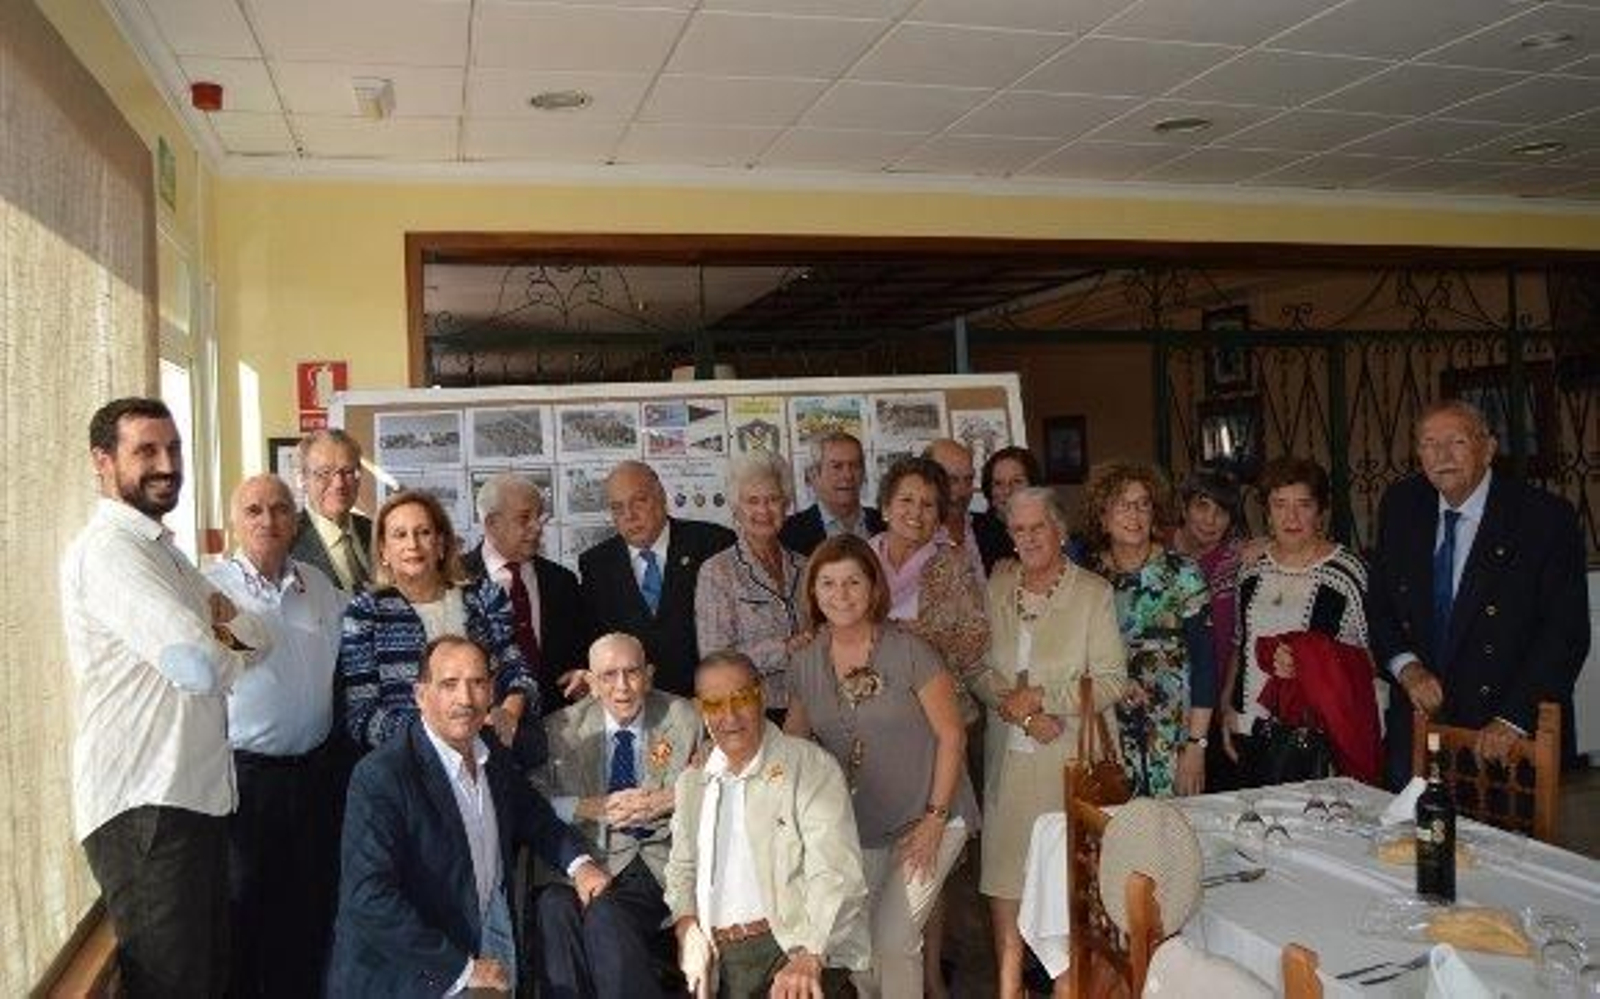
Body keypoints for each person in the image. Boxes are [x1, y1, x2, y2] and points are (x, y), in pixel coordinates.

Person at [61, 397, 272, 997]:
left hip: (190, 801)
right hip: (146, 806)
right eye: (146, 450)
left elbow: (259, 635)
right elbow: (199, 664)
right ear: (103, 462)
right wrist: (216, 637)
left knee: (206, 982)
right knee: (174, 986)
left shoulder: (163, 554)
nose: (166, 464)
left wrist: (216, 638)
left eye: (173, 449)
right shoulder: (111, 551)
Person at [328, 635, 612, 996]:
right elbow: (368, 900)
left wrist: (580, 864)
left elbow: (532, 814)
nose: (465, 699)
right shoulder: (382, 776)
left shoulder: (490, 752)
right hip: (411, 971)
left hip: (485, 935)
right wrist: (462, 969)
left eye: (477, 683)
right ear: (420, 695)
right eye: (449, 684)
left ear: (492, 691)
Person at [785, 535, 977, 999]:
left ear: (874, 588)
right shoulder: (806, 662)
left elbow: (954, 735)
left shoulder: (911, 652)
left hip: (931, 817)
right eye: (827, 583)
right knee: (860, 951)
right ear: (813, 592)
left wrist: (934, 820)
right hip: (858, 828)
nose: (841, 594)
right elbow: (792, 746)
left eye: (853, 581)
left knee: (893, 942)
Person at [1367, 400, 1589, 786]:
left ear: (1487, 448)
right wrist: (1407, 667)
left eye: (1457, 441)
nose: (1442, 456)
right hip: (1420, 727)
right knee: (1410, 841)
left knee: (1502, 846)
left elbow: (1565, 633)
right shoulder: (1402, 505)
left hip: (1503, 733)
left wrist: (1513, 718)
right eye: (1429, 443)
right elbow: (1380, 605)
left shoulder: (1543, 519)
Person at [969, 487, 1125, 999]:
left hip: (1070, 763)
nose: (1029, 538)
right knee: (1005, 882)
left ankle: (1069, 990)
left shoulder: (1092, 592)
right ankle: (1009, 990)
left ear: (1059, 530)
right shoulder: (996, 588)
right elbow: (977, 669)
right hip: (1009, 767)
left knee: (1069, 892)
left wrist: (1042, 699)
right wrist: (1016, 706)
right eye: (1019, 529)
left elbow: (1110, 681)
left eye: (1039, 527)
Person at [204, 475, 347, 997]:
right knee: (245, 912)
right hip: (246, 781)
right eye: (254, 510)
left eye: (281, 509)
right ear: (235, 521)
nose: (268, 520)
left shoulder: (321, 586)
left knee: (309, 910)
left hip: (315, 775)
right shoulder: (210, 589)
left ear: (296, 519)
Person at [664, 651, 871, 999]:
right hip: (718, 962)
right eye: (714, 704)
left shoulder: (809, 767)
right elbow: (681, 867)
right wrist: (687, 927)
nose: (729, 716)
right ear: (701, 709)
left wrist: (810, 954)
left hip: (790, 949)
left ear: (760, 694)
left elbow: (836, 873)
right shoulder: (693, 782)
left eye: (740, 698)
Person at [532, 633, 702, 998]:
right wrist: (585, 806)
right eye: (608, 676)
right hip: (583, 856)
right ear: (590, 682)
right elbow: (530, 799)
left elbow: (717, 779)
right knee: (553, 908)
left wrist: (672, 796)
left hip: (652, 858)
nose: (622, 687)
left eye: (632, 673)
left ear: (650, 674)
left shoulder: (683, 717)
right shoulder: (560, 728)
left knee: (605, 915)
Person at [338, 490, 541, 762]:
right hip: (410, 765)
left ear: (441, 544)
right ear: (383, 551)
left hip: (489, 754)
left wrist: (509, 711)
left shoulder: (485, 596)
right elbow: (362, 715)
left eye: (423, 532)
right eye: (400, 535)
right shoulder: (365, 612)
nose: (413, 544)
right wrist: (440, 738)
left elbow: (519, 673)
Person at [1222, 457, 1381, 787]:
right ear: (1267, 511)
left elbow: (1371, 661)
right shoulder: (1251, 569)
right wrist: (1227, 708)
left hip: (1314, 740)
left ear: (1320, 511)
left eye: (1303, 505)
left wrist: (1312, 662)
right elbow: (1241, 645)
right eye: (1280, 504)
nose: (1291, 517)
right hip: (1247, 728)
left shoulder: (1347, 573)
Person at [1075, 462, 1216, 798]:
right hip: (1106, 734)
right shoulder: (1087, 577)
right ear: (1102, 516)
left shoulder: (1184, 574)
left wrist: (1197, 746)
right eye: (1123, 505)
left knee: (1171, 839)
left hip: (1173, 737)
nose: (1135, 514)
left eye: (1143, 504)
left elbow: (1206, 665)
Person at [580, 460, 734, 697]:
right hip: (635, 703)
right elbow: (596, 640)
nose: (630, 515)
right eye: (618, 508)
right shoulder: (596, 564)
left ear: (661, 497)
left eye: (639, 501)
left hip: (709, 698)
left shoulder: (713, 543)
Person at [464, 472, 593, 716]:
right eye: (525, 518)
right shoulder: (456, 580)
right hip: (481, 726)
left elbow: (580, 652)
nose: (537, 527)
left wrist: (582, 673)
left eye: (539, 517)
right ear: (491, 523)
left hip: (555, 726)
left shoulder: (562, 581)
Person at [695, 451, 811, 721]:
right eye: (752, 501)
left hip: (812, 707)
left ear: (787, 505)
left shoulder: (806, 566)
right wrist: (784, 649)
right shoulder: (717, 571)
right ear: (736, 508)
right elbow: (716, 660)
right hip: (752, 712)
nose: (763, 510)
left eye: (773, 500)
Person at [868, 457, 991, 709]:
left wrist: (917, 637)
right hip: (868, 705)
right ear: (885, 507)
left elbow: (975, 640)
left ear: (939, 518)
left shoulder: (956, 565)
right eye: (906, 500)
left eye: (928, 505)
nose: (916, 512)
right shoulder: (857, 560)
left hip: (937, 707)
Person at [1169, 466, 1249, 789]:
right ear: (1184, 507)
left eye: (1222, 511)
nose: (1210, 520)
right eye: (1202, 506)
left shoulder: (1239, 558)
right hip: (1163, 706)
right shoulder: (1155, 551)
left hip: (1217, 704)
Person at [291, 428, 372, 592]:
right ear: (302, 479)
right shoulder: (286, 541)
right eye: (325, 473)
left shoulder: (375, 532)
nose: (339, 484)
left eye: (348, 472)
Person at [779, 431, 886, 555]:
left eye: (855, 465)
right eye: (837, 466)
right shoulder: (789, 533)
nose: (848, 475)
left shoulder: (885, 524)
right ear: (814, 475)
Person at [926, 438, 1011, 577]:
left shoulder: (995, 530)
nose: (962, 491)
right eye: (952, 480)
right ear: (926, 480)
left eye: (968, 479)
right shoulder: (911, 535)